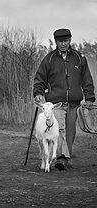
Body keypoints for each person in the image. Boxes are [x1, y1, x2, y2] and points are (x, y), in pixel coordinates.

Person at [33, 28, 95, 170]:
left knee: (70, 132)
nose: (63, 44)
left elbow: (87, 79)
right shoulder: (49, 59)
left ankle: (64, 157)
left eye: (66, 41)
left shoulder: (79, 58)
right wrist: (38, 92)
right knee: (59, 128)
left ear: (70, 40)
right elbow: (39, 78)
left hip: (74, 103)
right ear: (56, 42)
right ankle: (61, 158)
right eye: (60, 41)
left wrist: (90, 97)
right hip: (56, 103)